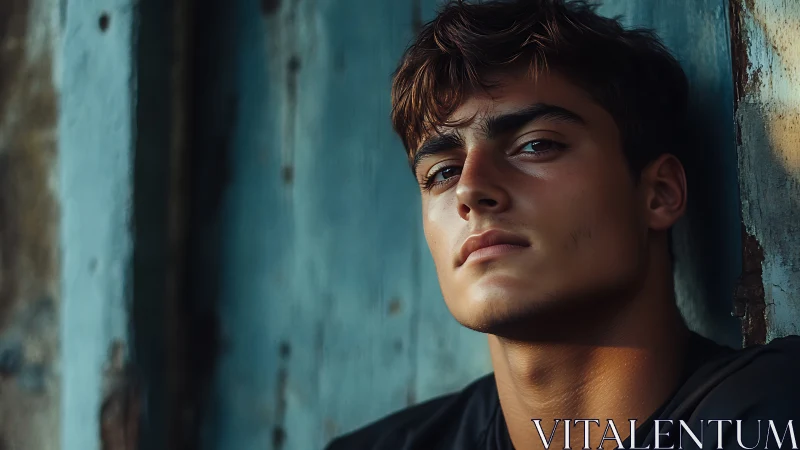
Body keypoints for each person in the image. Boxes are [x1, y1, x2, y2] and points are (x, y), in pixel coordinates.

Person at [325, 0, 800, 449]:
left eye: (536, 145)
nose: (469, 190)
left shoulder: (775, 412)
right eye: (442, 172)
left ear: (659, 193)